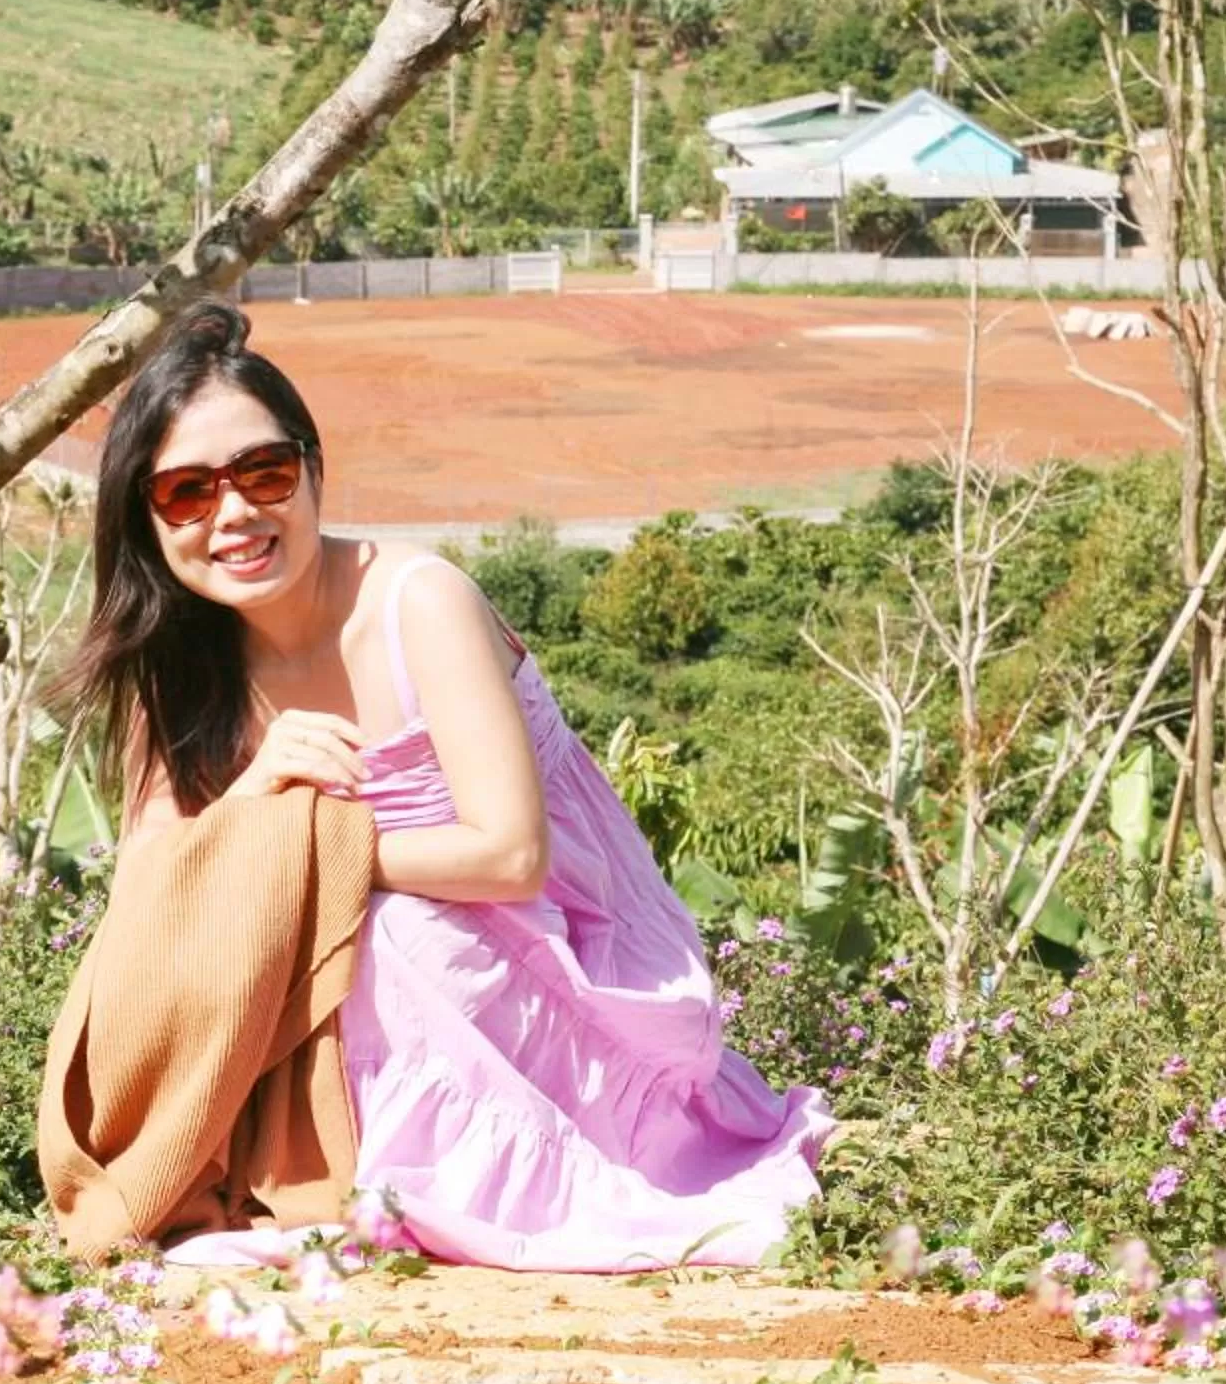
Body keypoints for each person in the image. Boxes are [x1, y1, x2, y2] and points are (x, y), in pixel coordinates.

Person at [53, 301, 832, 1271]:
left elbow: (511, 855)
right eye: (187, 492)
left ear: (313, 468)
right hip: (348, 991)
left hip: (558, 963)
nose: (235, 514)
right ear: (146, 517)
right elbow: (150, 899)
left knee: (389, 934)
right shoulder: (176, 668)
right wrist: (256, 799)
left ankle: (424, 1189)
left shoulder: (419, 601)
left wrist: (309, 852)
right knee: (337, 935)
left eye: (264, 472)